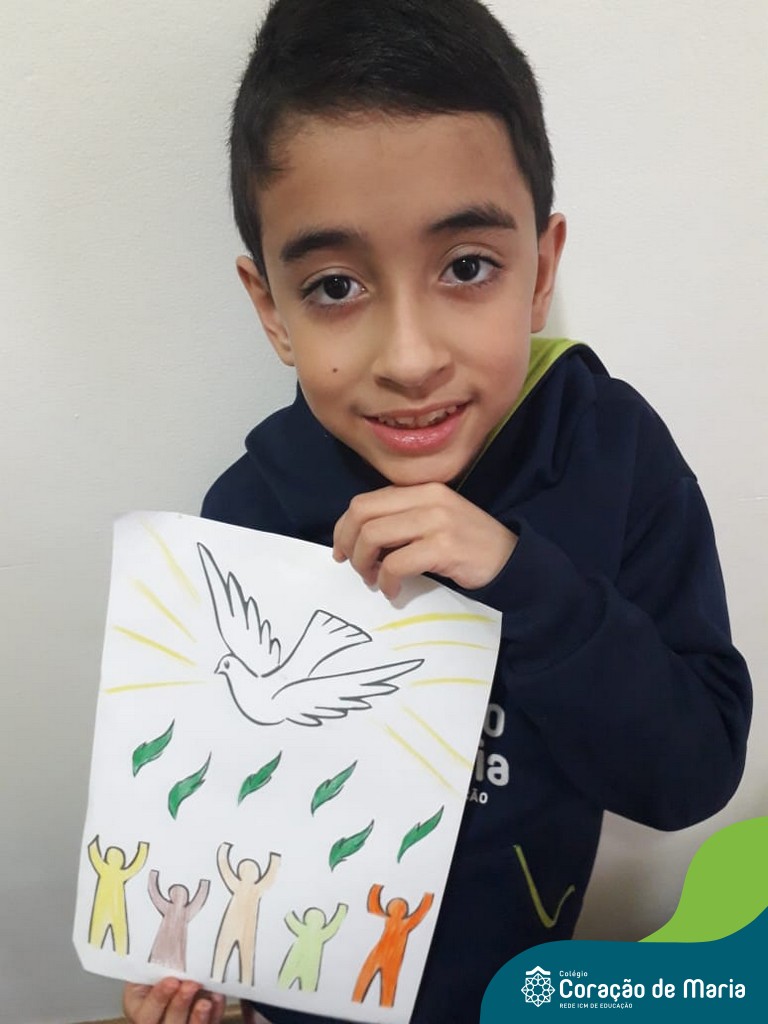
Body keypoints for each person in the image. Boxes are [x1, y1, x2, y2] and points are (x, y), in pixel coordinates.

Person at [123, 0, 752, 1021]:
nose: (410, 359)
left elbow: (689, 776)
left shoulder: (613, 456)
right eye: (335, 286)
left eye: (467, 267)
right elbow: (222, 810)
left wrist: (521, 580)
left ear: (541, 270)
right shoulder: (246, 515)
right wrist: (200, 978)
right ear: (271, 309)